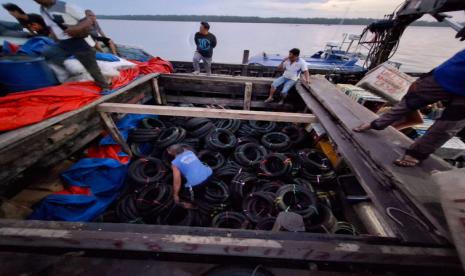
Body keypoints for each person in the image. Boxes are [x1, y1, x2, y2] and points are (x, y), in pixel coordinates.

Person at [354, 49, 465, 167]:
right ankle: (377, 123)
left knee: (448, 125)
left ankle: (416, 154)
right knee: (410, 101)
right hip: (447, 75)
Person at [34, 0, 110, 90]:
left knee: (92, 67)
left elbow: (87, 21)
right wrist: (54, 38)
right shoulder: (43, 9)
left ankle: (105, 87)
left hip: (79, 41)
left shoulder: (66, 6)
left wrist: (76, 28)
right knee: (48, 53)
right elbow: (51, 26)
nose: (38, 1)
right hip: (62, 43)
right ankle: (71, 76)